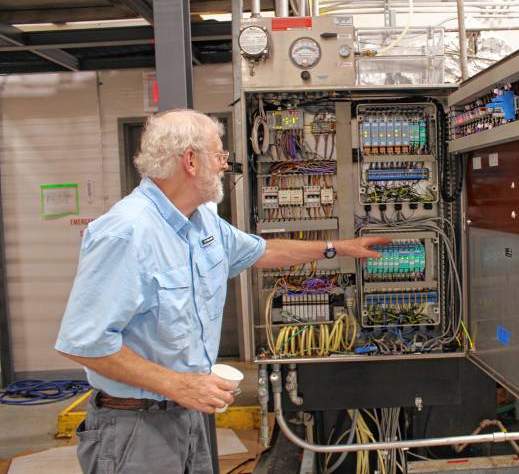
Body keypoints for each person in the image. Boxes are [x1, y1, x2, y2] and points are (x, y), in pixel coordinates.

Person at [55, 109, 388, 474]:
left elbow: (263, 251)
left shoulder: (203, 221)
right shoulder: (126, 233)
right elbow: (84, 344)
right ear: (191, 161)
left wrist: (338, 248)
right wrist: (178, 384)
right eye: (219, 154)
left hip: (188, 414)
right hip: (135, 428)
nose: (224, 165)